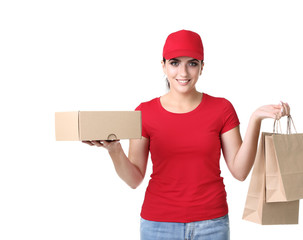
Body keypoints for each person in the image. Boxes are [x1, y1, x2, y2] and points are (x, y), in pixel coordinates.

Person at [83, 29, 290, 240]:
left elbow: (240, 171)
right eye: (174, 63)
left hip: (212, 224)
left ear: (202, 67)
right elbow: (134, 179)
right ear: (163, 66)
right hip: (158, 225)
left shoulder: (222, 109)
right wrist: (114, 149)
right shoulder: (144, 112)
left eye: (192, 63)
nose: (183, 73)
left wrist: (255, 119)